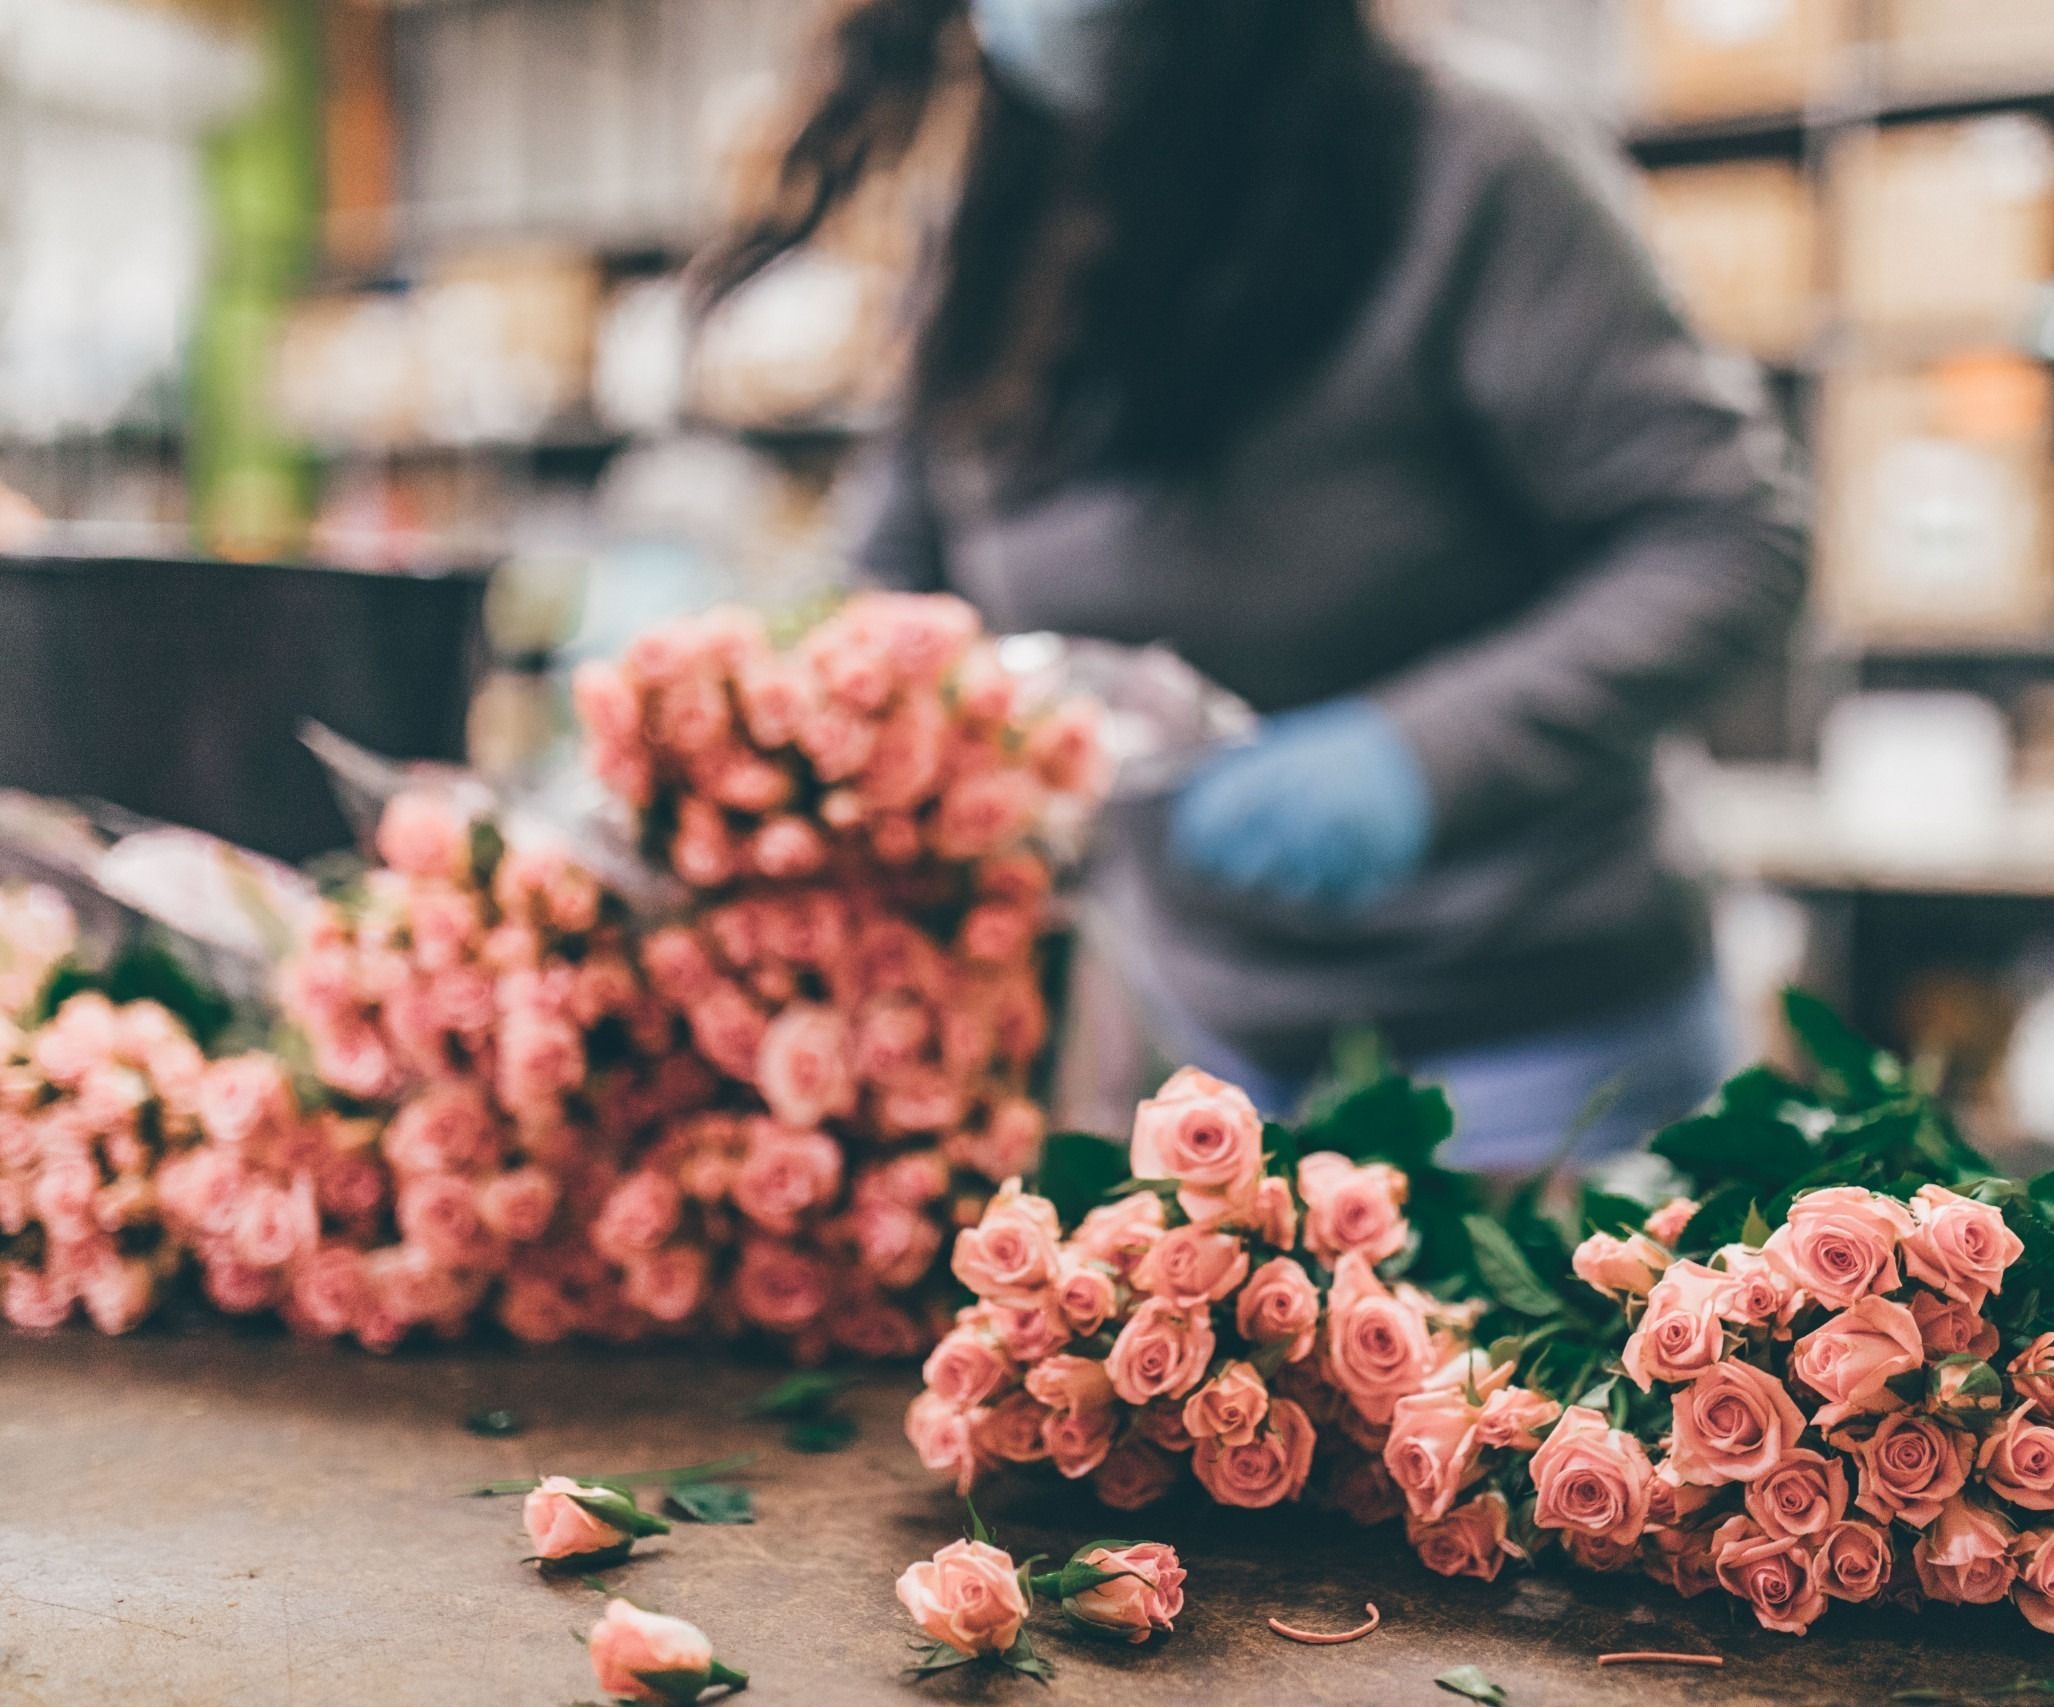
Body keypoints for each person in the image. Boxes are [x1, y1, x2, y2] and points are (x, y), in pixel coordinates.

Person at [695, 0, 1808, 1169]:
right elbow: (886, 584)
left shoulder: (1465, 164)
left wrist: (1425, 758)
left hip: (1530, 1036)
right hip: (1186, 1030)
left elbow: (1724, 537)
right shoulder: (995, 212)